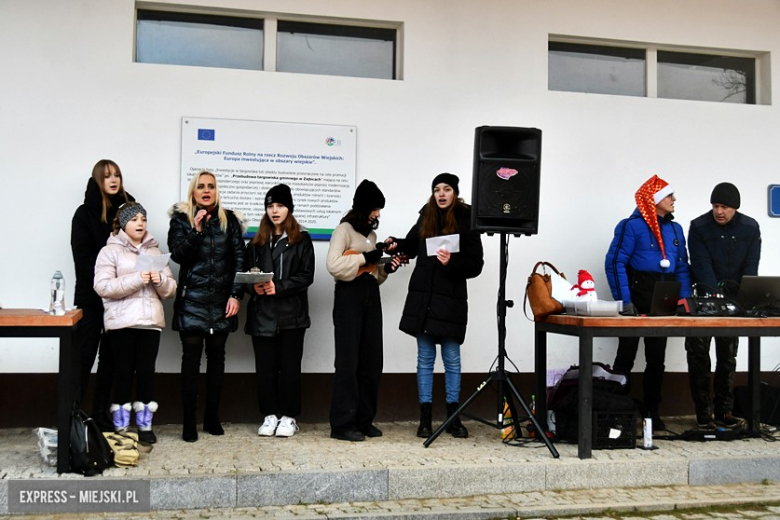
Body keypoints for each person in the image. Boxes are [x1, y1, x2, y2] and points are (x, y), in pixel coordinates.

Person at [396, 173, 484, 439]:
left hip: (451, 303)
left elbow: (476, 264)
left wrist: (451, 263)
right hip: (424, 300)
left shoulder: (467, 220)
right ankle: (425, 420)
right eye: (437, 189)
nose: (441, 194)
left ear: (455, 192)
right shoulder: (427, 216)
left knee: (452, 360)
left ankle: (454, 419)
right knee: (425, 360)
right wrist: (395, 244)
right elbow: (410, 246)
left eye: (446, 189)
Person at [605, 174, 691, 431]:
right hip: (637, 296)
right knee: (626, 356)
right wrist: (624, 300)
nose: (674, 200)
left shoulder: (675, 229)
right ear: (653, 200)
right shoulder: (630, 226)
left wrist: (684, 300)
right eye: (669, 195)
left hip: (663, 297)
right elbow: (615, 262)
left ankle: (652, 412)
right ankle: (619, 411)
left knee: (657, 358)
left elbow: (682, 268)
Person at [168, 171, 246, 442]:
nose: (206, 190)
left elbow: (239, 259)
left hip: (221, 302)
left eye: (211, 186)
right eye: (200, 186)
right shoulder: (181, 220)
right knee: (190, 361)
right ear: (193, 191)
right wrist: (196, 230)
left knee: (216, 359)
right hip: (192, 302)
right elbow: (178, 255)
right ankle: (188, 422)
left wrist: (236, 295)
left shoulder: (229, 221)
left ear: (216, 191)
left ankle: (211, 416)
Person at [325, 180, 403, 442]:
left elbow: (373, 274)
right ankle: (342, 425)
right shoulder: (343, 230)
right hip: (349, 297)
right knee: (348, 361)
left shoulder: (371, 237)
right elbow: (334, 265)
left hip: (370, 295)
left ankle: (363, 419)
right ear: (362, 207)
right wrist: (364, 257)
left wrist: (386, 268)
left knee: (372, 360)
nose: (378, 214)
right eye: (375, 208)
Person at [93, 202, 176, 443]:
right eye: (134, 219)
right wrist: (137, 279)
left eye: (143, 218)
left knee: (147, 373)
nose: (140, 223)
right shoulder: (109, 252)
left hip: (150, 323)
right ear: (122, 223)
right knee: (123, 374)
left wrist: (159, 279)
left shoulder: (155, 252)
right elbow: (103, 287)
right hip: (122, 324)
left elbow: (170, 289)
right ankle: (120, 426)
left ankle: (145, 426)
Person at [686, 182, 761, 429]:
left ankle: (724, 412)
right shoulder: (698, 227)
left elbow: (751, 267)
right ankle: (703, 412)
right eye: (715, 206)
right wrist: (713, 297)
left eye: (725, 207)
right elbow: (700, 264)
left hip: (734, 302)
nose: (719, 211)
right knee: (698, 355)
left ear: (735, 208)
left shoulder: (750, 228)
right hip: (704, 300)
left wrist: (741, 301)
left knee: (728, 357)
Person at [245, 184, 315, 438]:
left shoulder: (302, 239)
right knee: (265, 369)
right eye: (270, 206)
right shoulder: (256, 242)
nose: (275, 211)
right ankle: (269, 415)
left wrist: (280, 286)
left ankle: (289, 417)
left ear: (289, 209)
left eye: (280, 206)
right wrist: (255, 289)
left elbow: (307, 276)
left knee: (289, 369)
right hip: (262, 316)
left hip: (291, 316)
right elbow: (246, 275)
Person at [70, 159, 134, 431]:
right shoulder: (84, 214)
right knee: (84, 355)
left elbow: (138, 248)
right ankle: (71, 414)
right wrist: (109, 273)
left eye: (117, 175)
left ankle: (100, 413)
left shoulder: (130, 210)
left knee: (112, 358)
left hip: (120, 298)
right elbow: (82, 258)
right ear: (98, 180)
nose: (113, 179)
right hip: (91, 298)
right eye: (107, 176)